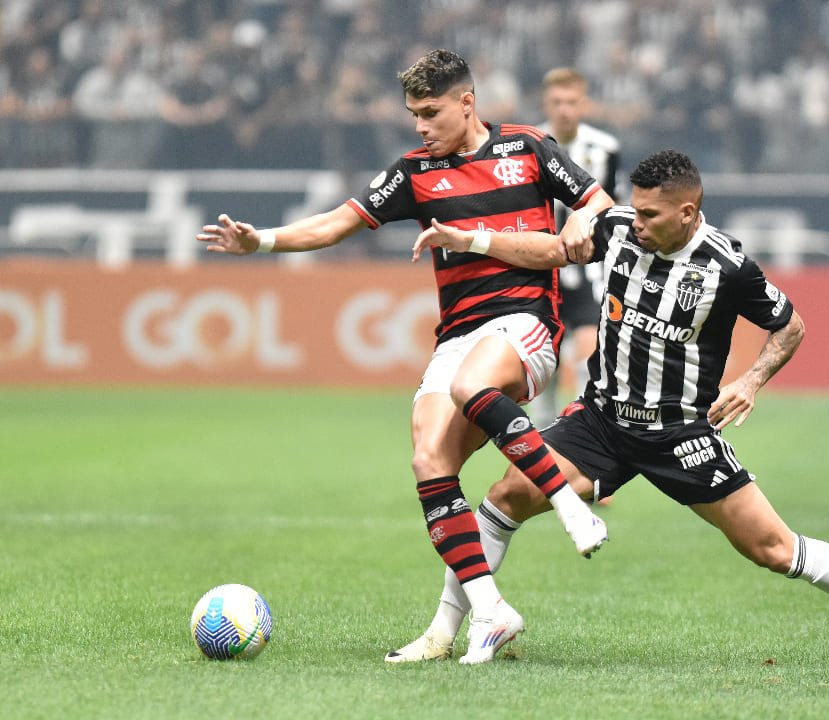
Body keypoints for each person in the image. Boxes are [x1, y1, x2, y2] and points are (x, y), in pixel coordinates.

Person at [405, 149, 829, 668]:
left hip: (680, 434)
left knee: (771, 548)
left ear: (687, 211)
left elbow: (790, 325)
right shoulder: (618, 228)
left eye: (649, 213)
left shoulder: (728, 266)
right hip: (600, 421)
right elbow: (551, 251)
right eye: (634, 208)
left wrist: (752, 379)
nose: (636, 221)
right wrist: (472, 240)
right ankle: (448, 630)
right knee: (505, 497)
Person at [196, 49, 615, 665]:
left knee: (474, 385)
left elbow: (599, 205)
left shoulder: (528, 147)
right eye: (413, 114)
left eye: (431, 112)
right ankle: (484, 612)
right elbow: (339, 223)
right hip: (457, 334)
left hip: (525, 322)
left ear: (467, 102)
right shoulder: (415, 172)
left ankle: (568, 503)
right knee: (428, 459)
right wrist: (261, 241)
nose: (420, 126)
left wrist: (586, 221)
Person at [533, 67, 622, 426]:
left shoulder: (605, 148)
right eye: (557, 102)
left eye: (571, 102)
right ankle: (540, 444)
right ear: (546, 103)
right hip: (541, 267)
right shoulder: (530, 142)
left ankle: (580, 432)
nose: (564, 109)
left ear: (582, 103)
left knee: (588, 352)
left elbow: (613, 205)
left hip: (589, 270)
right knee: (545, 361)